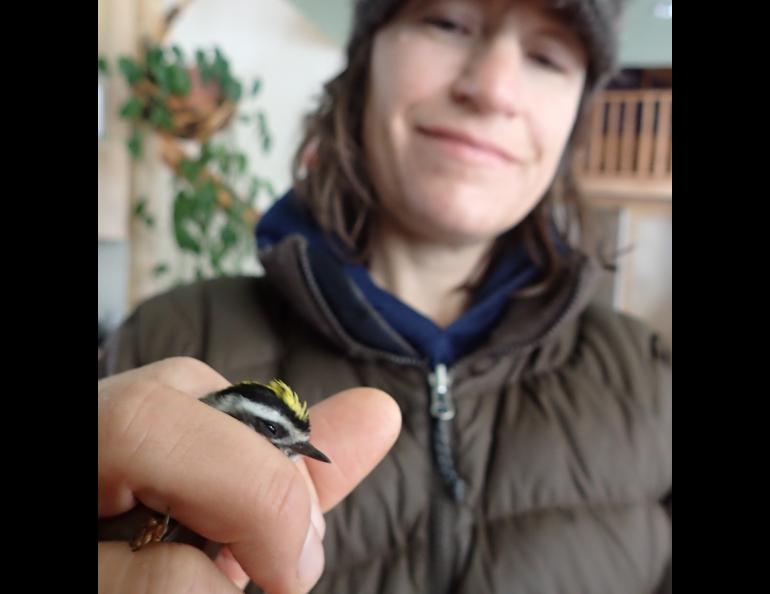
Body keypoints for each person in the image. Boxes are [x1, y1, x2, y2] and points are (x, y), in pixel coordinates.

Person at [99, 0, 672, 592]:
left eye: (548, 56)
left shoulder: (655, 376)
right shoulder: (160, 343)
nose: (494, 88)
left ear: (576, 118)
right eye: (448, 22)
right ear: (365, 60)